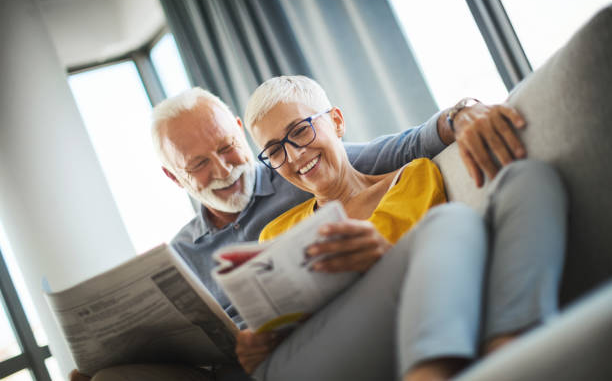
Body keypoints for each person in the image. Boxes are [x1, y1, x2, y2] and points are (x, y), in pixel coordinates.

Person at [69, 84, 529, 381]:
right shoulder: (184, 253)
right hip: (237, 365)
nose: (225, 169)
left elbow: (408, 147)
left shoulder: (306, 170)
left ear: (237, 133)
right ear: (175, 178)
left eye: (228, 148)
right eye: (199, 165)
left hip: (311, 341)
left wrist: (462, 112)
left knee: (497, 198)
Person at [237, 75, 567, 381]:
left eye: (299, 131)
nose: (293, 156)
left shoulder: (413, 177)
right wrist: (261, 343)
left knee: (529, 179)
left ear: (337, 121)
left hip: (410, 325)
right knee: (450, 222)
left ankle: (508, 357)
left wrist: (384, 259)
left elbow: (439, 271)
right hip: (321, 352)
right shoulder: (275, 234)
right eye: (275, 151)